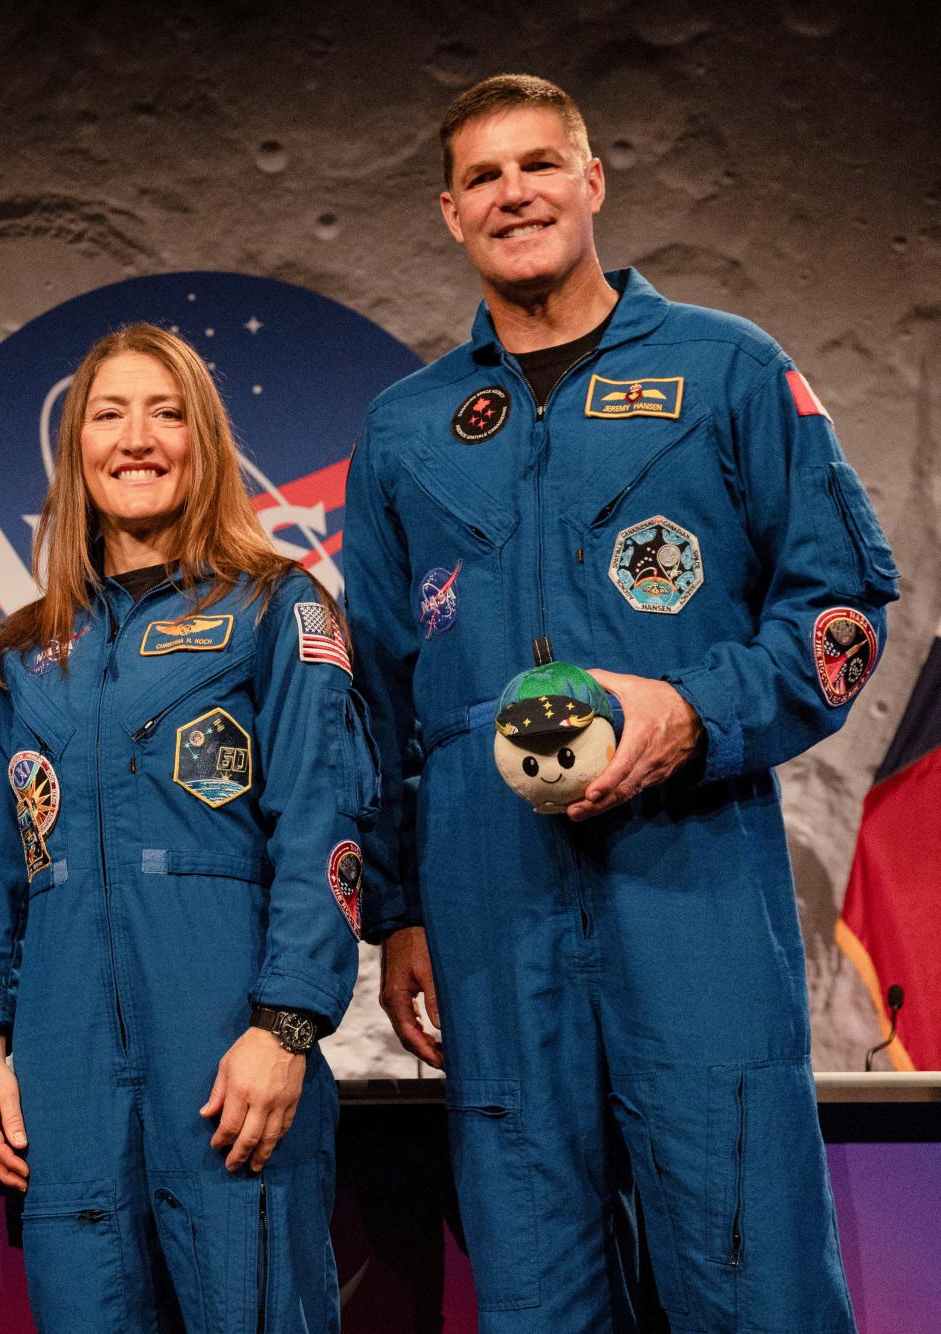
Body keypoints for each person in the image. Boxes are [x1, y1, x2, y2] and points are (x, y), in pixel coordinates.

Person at [342, 74, 897, 1330]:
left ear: (594, 182)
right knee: (538, 1286)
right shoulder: (407, 430)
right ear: (448, 213)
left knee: (750, 1268)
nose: (514, 193)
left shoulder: (729, 368)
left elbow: (842, 610)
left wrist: (692, 712)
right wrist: (401, 906)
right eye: (483, 177)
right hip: (490, 902)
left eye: (540, 164)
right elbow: (377, 690)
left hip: (690, 871)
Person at [0, 323, 374, 1332]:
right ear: (75, 450)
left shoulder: (277, 608)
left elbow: (323, 823)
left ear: (205, 441)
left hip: (229, 1055)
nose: (137, 438)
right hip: (64, 1066)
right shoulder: (21, 652)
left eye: (166, 412)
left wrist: (285, 1025)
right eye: (109, 413)